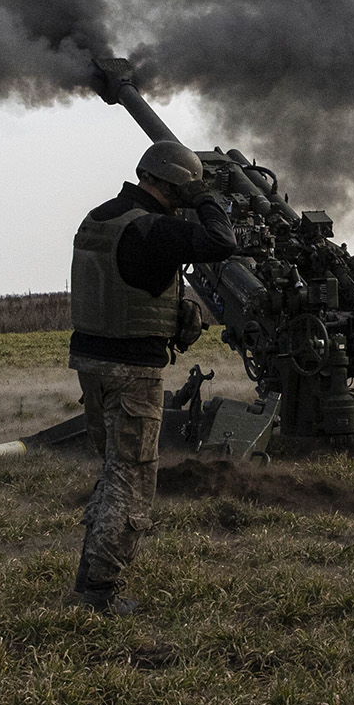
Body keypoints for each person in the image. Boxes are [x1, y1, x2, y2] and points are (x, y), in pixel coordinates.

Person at [68, 139, 237, 613]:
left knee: (113, 470)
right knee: (134, 477)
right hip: (132, 368)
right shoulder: (153, 227)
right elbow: (223, 242)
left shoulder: (99, 217)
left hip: (91, 361)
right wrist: (205, 197)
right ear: (174, 182)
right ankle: (101, 592)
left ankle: (88, 575)